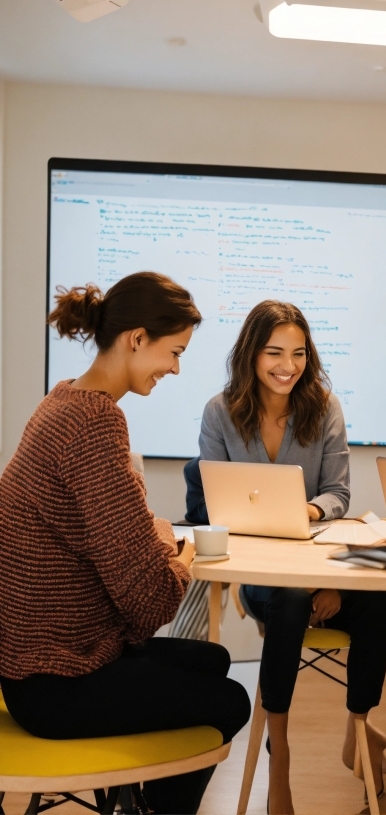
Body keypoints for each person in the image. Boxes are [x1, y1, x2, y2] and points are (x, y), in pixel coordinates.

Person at [0, 272, 251, 815]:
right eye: (174, 351)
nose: (176, 368)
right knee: (229, 699)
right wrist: (177, 559)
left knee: (212, 659)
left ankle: (137, 805)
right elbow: (150, 599)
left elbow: (118, 533)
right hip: (58, 679)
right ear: (137, 339)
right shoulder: (94, 423)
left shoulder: (64, 399)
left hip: (34, 664)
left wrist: (154, 539)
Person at [192, 299, 386, 815]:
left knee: (375, 600)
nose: (288, 365)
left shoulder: (324, 406)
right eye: (275, 352)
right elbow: (213, 500)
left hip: (320, 562)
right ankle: (278, 753)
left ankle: (359, 722)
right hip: (267, 578)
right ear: (251, 354)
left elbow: (338, 496)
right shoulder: (220, 411)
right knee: (288, 599)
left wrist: (307, 512)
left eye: (299, 353)